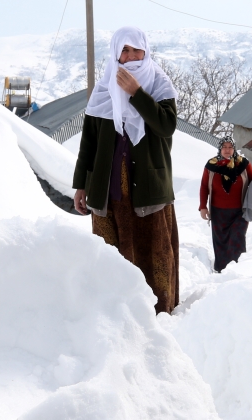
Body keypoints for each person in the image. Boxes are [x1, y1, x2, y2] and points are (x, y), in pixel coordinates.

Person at [72, 26, 180, 314]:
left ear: (146, 51)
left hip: (148, 187)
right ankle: (112, 312)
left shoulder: (159, 84)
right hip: (109, 188)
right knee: (110, 254)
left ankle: (157, 312)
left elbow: (166, 126)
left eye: (136, 50)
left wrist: (136, 93)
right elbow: (89, 143)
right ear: (116, 53)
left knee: (152, 250)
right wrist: (81, 184)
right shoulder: (104, 87)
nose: (131, 56)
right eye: (125, 50)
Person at [199, 136, 252, 272]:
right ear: (220, 149)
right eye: (224, 147)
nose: (227, 150)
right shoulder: (211, 165)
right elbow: (204, 186)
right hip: (218, 212)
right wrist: (203, 207)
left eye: (230, 147)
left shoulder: (243, 164)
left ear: (234, 149)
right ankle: (221, 270)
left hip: (240, 211)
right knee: (221, 242)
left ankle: (237, 271)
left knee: (237, 238)